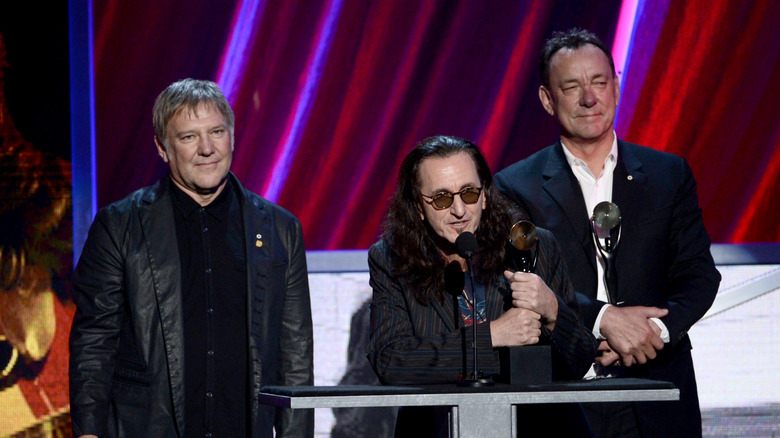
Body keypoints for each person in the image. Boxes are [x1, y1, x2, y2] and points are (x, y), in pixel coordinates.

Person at [494, 29, 721, 438]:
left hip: (657, 387)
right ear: (548, 99)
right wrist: (604, 320)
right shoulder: (515, 186)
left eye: (599, 82)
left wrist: (652, 335)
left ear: (616, 86)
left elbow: (700, 276)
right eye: (572, 87)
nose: (589, 98)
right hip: (564, 393)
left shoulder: (669, 176)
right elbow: (522, 284)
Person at [68, 79, 314, 438]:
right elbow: (94, 341)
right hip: (149, 428)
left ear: (232, 135)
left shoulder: (280, 229)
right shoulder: (120, 226)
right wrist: (88, 432)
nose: (207, 149)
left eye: (217, 131)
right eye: (188, 137)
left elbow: (295, 352)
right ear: (163, 148)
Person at [367, 135, 597, 437]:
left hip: (537, 427)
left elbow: (579, 360)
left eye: (470, 193)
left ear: (486, 195)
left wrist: (553, 311)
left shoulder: (529, 246)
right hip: (439, 428)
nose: (460, 210)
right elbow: (391, 360)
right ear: (418, 207)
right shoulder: (392, 259)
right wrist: (492, 335)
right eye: (442, 198)